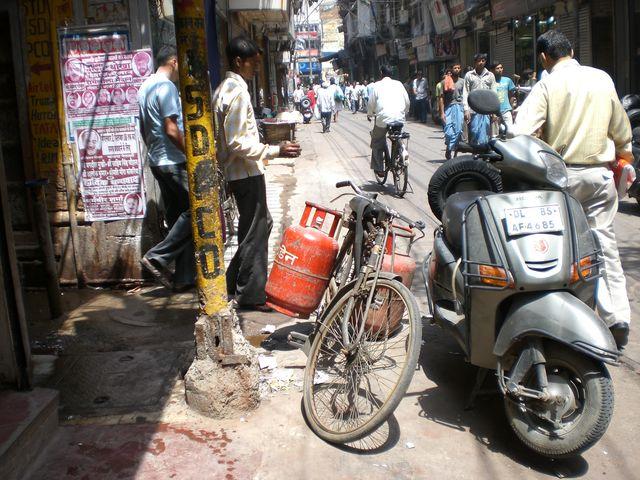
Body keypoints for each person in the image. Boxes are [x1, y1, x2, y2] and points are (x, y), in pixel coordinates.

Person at [512, 30, 632, 349]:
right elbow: (621, 127)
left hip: (562, 179)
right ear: (572, 50)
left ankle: (567, 319)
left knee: (559, 248)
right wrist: (624, 155)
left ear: (543, 58)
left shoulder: (547, 84)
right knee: (604, 243)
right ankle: (617, 316)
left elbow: (519, 131)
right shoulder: (601, 78)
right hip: (600, 177)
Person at [212, 36, 301, 310]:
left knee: (261, 226)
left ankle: (234, 282)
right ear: (239, 61)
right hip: (245, 173)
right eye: (253, 63)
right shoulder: (236, 91)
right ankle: (251, 294)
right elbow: (237, 141)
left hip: (242, 172)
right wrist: (275, 150)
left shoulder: (225, 88)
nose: (256, 69)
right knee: (254, 232)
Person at [137, 45, 195, 292]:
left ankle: (183, 278)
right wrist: (192, 154)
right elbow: (171, 129)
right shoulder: (167, 87)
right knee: (196, 211)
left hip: (157, 161)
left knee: (177, 220)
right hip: (173, 160)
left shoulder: (145, 87)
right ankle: (157, 257)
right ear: (173, 61)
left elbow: (143, 129)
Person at [367, 65, 410, 175]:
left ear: (381, 73)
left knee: (377, 141)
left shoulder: (377, 85)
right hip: (399, 118)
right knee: (396, 136)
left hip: (383, 119)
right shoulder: (399, 84)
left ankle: (379, 169)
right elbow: (407, 101)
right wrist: (404, 113)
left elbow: (371, 103)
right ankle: (401, 149)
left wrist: (370, 114)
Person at [463, 53, 496, 144]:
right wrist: (466, 109)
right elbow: (465, 92)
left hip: (486, 110)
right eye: (479, 61)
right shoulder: (469, 75)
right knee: (474, 131)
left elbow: (494, 93)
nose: (481, 62)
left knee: (485, 133)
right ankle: (475, 154)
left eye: (483, 60)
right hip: (473, 109)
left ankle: (482, 155)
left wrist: (493, 111)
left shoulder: (490, 75)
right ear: (475, 62)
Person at [441, 63, 465, 159]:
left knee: (458, 130)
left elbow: (465, 96)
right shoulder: (444, 82)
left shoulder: (463, 82)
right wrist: (442, 112)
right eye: (455, 68)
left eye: (459, 68)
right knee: (448, 132)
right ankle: (449, 147)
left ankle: (453, 151)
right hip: (448, 108)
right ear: (451, 69)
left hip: (459, 106)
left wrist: (466, 110)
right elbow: (441, 98)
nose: (457, 69)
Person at [490, 62, 516, 131]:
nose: (500, 70)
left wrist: (512, 108)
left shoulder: (507, 80)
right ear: (492, 70)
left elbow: (512, 95)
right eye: (497, 68)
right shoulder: (489, 82)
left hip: (506, 110)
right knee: (495, 135)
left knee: (509, 132)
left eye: (501, 68)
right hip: (494, 112)